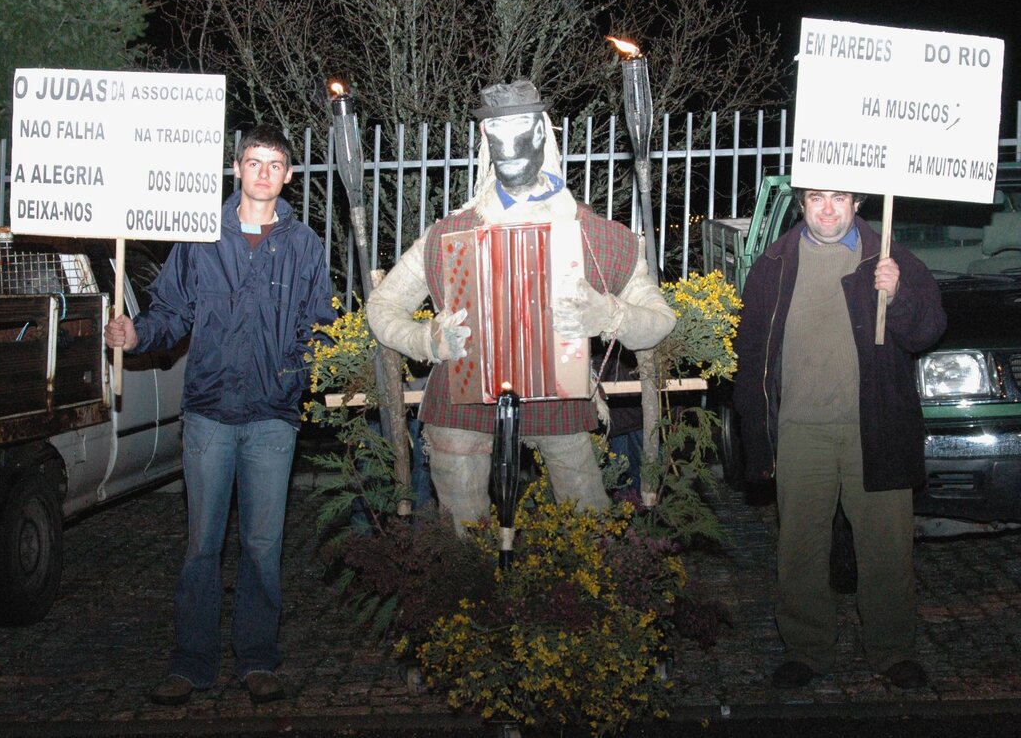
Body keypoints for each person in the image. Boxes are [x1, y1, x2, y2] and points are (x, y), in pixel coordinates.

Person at [366, 80, 675, 531]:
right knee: (461, 531)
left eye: (520, 126)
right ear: (486, 139)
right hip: (462, 399)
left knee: (585, 520)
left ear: (541, 134)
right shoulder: (448, 236)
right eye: (496, 128)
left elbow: (660, 320)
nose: (508, 141)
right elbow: (384, 305)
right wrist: (426, 339)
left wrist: (610, 314)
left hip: (558, 396)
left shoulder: (596, 236)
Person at [104, 125, 336, 706]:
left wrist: (301, 372)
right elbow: (172, 313)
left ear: (288, 175)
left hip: (271, 419)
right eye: (254, 162)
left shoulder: (305, 246)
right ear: (237, 169)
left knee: (263, 545)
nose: (263, 173)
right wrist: (137, 335)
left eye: (275, 164)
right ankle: (191, 664)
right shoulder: (201, 237)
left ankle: (258, 660)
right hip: (208, 413)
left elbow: (322, 327)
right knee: (202, 545)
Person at [733, 187, 946, 690]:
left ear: (857, 205)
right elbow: (749, 355)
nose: (827, 208)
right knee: (800, 546)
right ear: (801, 205)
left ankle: (892, 650)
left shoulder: (889, 258)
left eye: (839, 198)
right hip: (799, 428)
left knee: (886, 547)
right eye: (816, 198)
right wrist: (756, 433)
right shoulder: (774, 264)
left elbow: (928, 331)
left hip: (875, 425)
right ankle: (806, 650)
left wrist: (897, 297)